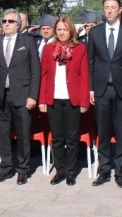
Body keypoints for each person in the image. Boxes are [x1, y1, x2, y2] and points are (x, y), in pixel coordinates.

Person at [87, 0, 122, 188]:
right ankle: (104, 171)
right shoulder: (95, 32)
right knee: (103, 131)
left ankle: (120, 171)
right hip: (101, 88)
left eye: (113, 7)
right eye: (106, 7)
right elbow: (90, 61)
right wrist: (91, 88)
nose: (109, 10)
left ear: (120, 10)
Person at [0, 9, 40, 185]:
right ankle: (5, 169)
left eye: (10, 21)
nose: (6, 24)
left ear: (18, 24)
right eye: (4, 21)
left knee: (23, 135)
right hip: (0, 96)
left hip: (22, 96)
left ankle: (23, 170)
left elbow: (35, 71)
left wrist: (32, 96)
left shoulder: (28, 41)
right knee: (3, 134)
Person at [39, 16, 90, 186]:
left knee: (71, 138)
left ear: (71, 31)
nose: (62, 32)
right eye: (59, 29)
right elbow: (43, 75)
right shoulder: (48, 49)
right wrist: (42, 100)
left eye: (65, 29)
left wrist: (84, 102)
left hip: (72, 100)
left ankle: (70, 172)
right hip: (53, 99)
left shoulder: (80, 49)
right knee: (58, 138)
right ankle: (60, 170)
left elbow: (84, 77)